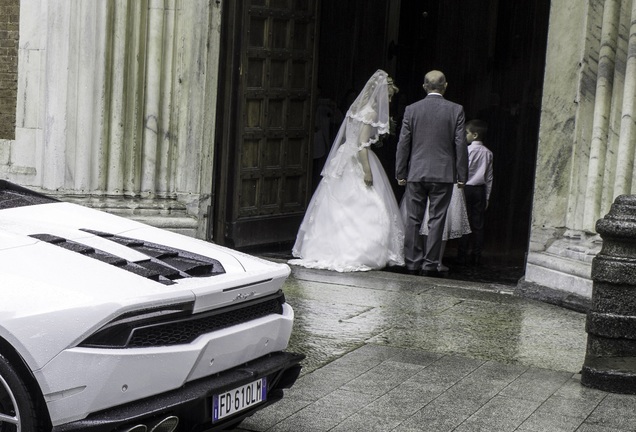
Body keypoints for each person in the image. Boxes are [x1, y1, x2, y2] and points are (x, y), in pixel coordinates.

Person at [289, 70, 405, 272]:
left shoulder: (357, 109)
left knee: (336, 204)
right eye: (388, 96)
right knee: (370, 204)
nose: (389, 100)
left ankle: (329, 247)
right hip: (358, 161)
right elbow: (361, 145)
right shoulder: (370, 113)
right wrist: (367, 171)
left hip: (343, 159)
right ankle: (360, 251)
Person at [396, 70, 468, 277]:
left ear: (424, 86)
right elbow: (460, 144)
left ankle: (412, 262)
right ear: (445, 86)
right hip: (443, 173)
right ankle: (430, 264)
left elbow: (404, 143)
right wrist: (462, 175)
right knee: (437, 219)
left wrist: (401, 172)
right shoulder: (456, 110)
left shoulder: (412, 110)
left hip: (417, 172)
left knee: (413, 218)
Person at [458, 119, 494, 266]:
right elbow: (489, 176)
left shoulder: (467, 151)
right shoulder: (488, 153)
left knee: (464, 223)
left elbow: (462, 171)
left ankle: (462, 254)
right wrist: (487, 197)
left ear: (474, 135)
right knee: (478, 224)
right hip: (480, 190)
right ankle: (477, 255)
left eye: (467, 133)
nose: (464, 135)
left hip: (466, 189)